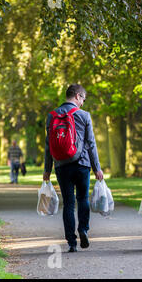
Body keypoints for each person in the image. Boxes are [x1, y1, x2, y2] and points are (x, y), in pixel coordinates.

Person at [43, 84, 103, 253]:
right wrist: (97, 167)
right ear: (77, 96)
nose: (83, 103)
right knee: (82, 198)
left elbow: (48, 146)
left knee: (68, 203)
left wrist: (47, 169)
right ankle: (83, 229)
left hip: (61, 165)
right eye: (83, 99)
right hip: (82, 164)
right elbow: (91, 144)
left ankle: (71, 243)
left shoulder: (52, 116)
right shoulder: (84, 115)